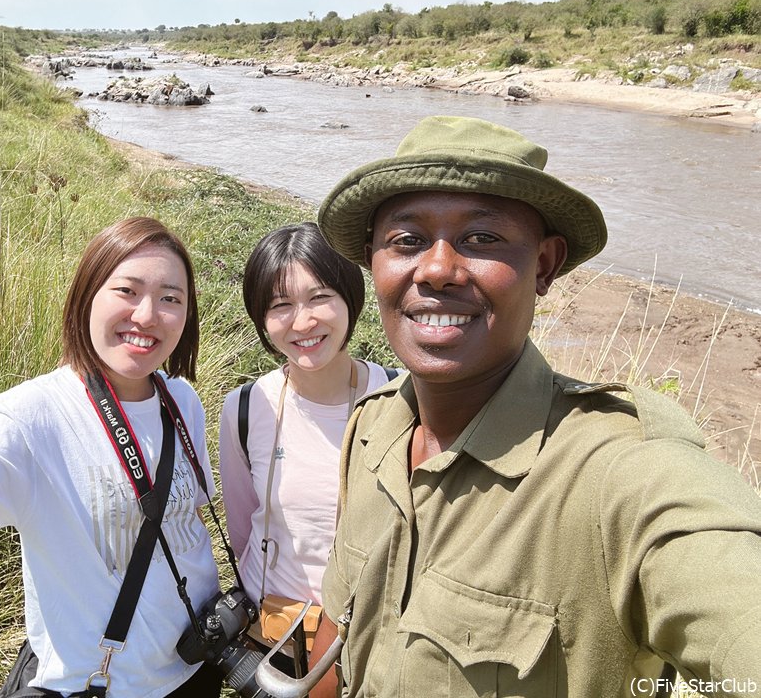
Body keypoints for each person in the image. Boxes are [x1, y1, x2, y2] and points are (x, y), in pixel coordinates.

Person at [308, 116, 761, 698]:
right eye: (407, 241)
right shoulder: (372, 428)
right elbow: (342, 626)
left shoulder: (623, 474)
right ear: (374, 263)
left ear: (544, 265)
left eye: (482, 239)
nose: (438, 269)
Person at [0, 217, 223, 697]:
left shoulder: (181, 400)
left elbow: (185, 527)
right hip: (97, 685)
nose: (147, 315)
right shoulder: (29, 419)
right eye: (127, 290)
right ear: (86, 297)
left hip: (193, 670)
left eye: (170, 298)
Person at [218, 222, 397, 671]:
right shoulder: (246, 407)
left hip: (374, 640)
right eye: (281, 306)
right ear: (261, 318)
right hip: (278, 639)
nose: (303, 322)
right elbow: (242, 528)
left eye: (320, 298)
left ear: (350, 299)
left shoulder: (400, 397)